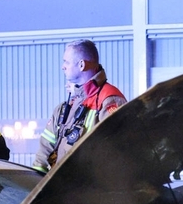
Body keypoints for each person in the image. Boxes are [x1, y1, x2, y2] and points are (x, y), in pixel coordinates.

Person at [34, 39, 127, 171]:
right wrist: (36, 180)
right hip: (63, 183)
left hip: (90, 183)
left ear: (81, 65)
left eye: (66, 62)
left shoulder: (109, 100)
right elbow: (44, 150)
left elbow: (118, 154)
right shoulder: (66, 107)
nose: (63, 67)